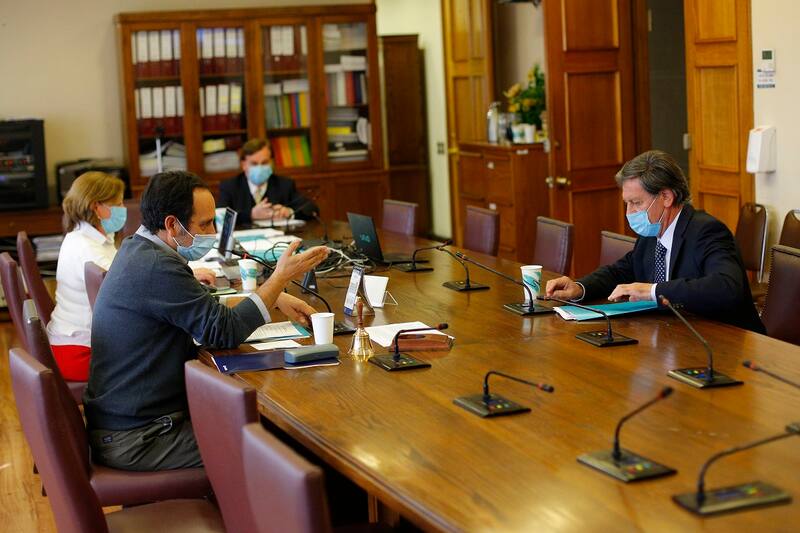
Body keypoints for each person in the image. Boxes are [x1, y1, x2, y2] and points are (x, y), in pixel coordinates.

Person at [84, 170, 328, 471]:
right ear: (172, 224)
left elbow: (204, 310)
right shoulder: (155, 267)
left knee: (266, 436)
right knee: (279, 455)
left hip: (129, 421)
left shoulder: (139, 249)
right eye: (205, 223)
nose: (212, 231)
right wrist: (278, 279)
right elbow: (223, 330)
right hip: (140, 436)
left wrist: (273, 297)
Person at [546, 150, 764, 333]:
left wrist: (653, 291)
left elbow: (727, 288)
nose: (629, 212)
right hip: (672, 336)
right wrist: (580, 287)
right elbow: (621, 271)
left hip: (725, 342)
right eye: (627, 203)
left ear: (666, 197)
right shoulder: (653, 233)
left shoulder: (706, 231)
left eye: (636, 203)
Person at [46, 172, 126, 382]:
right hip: (81, 354)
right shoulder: (88, 250)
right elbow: (129, 285)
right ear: (96, 207)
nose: (124, 209)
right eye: (117, 204)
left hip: (74, 344)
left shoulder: (82, 238)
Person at [218, 137, 318, 225]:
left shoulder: (284, 185)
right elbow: (219, 217)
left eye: (265, 162)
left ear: (272, 163)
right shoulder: (229, 187)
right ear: (244, 165)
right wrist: (251, 214)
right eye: (254, 163)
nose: (260, 168)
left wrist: (289, 212)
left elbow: (312, 209)